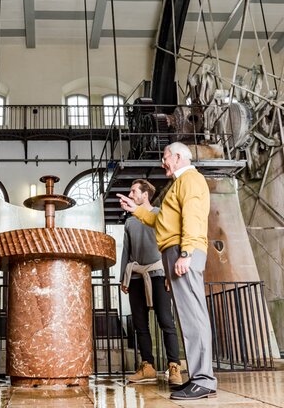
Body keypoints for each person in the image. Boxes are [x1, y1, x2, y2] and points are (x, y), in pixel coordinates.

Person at [117, 142, 217, 401]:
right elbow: (160, 222)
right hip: (174, 250)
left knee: (193, 315)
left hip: (182, 252)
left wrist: (186, 253)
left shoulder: (191, 180)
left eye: (165, 158)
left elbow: (193, 217)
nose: (163, 163)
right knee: (187, 316)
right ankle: (198, 377)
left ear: (178, 156)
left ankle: (203, 380)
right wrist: (135, 210)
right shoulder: (178, 185)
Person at [120, 179, 182, 385]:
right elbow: (126, 251)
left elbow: (168, 243)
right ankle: (147, 366)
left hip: (158, 273)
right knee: (140, 324)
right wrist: (123, 278)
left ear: (145, 194)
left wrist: (169, 275)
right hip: (136, 275)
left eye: (133, 190)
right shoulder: (129, 222)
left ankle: (174, 366)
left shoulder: (158, 214)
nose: (130, 194)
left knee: (166, 320)